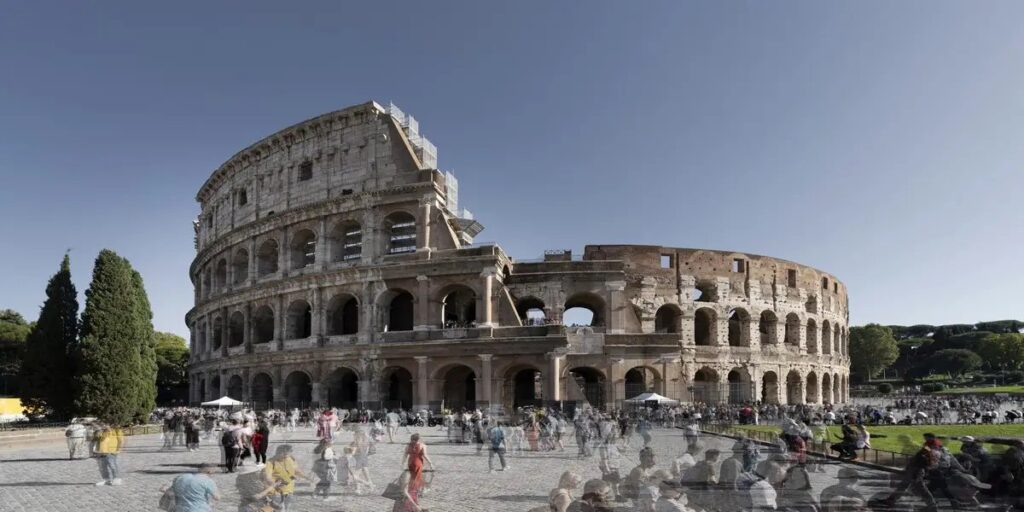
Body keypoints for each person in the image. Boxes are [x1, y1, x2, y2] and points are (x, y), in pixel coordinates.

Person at [262, 444, 311, 511]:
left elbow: (296, 470)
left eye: (288, 454)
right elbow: (268, 477)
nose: (286, 456)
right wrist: (274, 484)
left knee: (286, 507)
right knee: (277, 509)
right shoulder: (270, 462)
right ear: (278, 452)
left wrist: (306, 477)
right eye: (284, 454)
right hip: (275, 491)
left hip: (288, 489)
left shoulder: (290, 459)